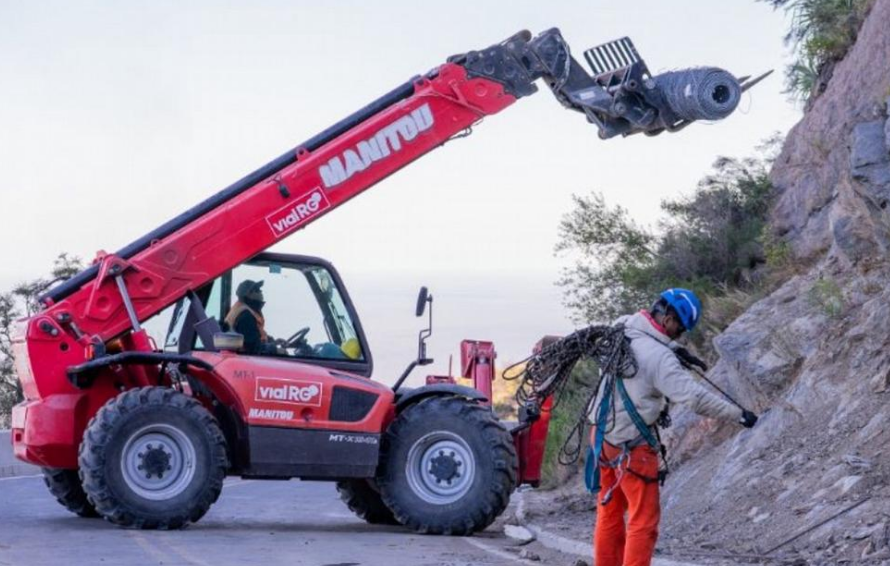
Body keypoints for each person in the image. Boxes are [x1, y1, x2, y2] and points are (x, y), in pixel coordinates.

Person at [589, 288, 758, 566]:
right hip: (633, 449)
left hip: (601, 438)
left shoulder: (620, 326)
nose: (678, 335)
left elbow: (645, 336)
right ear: (668, 318)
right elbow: (694, 397)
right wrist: (739, 415)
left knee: (609, 511)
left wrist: (678, 351)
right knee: (643, 522)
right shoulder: (660, 359)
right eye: (679, 330)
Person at [224, 279, 271, 355]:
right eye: (257, 290)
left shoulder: (246, 309)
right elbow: (251, 346)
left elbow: (255, 334)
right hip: (244, 358)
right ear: (248, 294)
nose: (261, 292)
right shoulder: (246, 316)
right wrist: (274, 349)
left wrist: (271, 340)